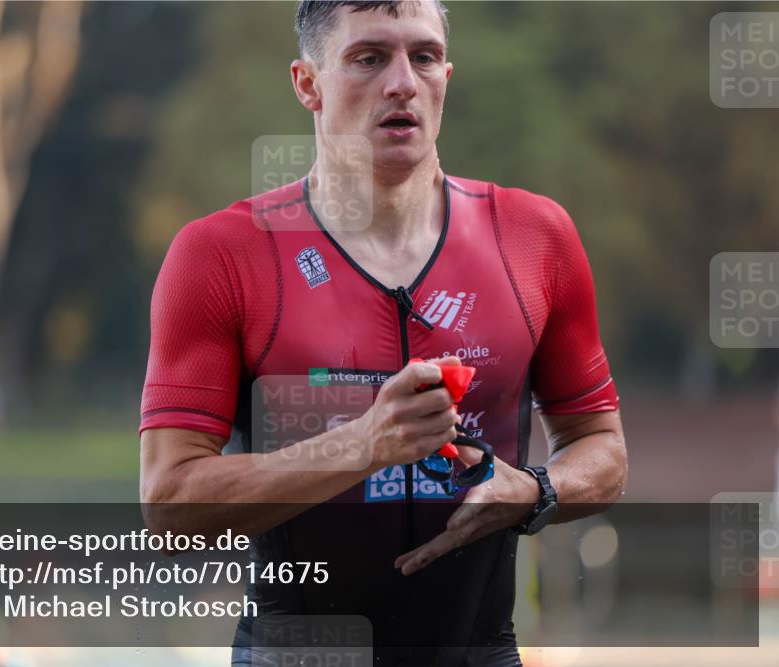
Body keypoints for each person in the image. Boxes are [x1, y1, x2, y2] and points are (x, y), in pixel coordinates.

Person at [139, 1, 627, 664]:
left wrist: (535, 490)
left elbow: (602, 448)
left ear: (446, 75)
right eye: (370, 58)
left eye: (423, 57)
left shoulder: (536, 237)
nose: (402, 82)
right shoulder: (222, 254)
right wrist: (361, 445)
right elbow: (170, 505)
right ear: (307, 83)